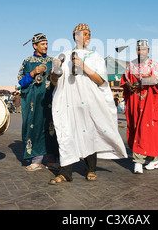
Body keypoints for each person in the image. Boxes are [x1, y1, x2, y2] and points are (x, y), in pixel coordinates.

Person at [49, 23, 127, 184]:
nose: (88, 37)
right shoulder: (64, 54)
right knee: (66, 134)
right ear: (76, 35)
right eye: (85, 33)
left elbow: (101, 81)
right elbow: (54, 82)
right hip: (68, 101)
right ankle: (65, 172)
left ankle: (91, 169)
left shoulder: (95, 56)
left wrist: (83, 66)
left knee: (89, 132)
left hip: (89, 101)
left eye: (89, 34)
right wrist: (55, 73)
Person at [121, 39, 158, 174]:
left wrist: (153, 80)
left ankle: (138, 161)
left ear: (148, 50)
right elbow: (124, 81)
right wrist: (128, 85)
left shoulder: (154, 65)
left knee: (148, 130)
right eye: (138, 49)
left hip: (150, 103)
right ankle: (155, 160)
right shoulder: (131, 65)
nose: (140, 52)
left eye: (143, 49)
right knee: (137, 128)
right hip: (135, 102)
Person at [18, 33, 59, 172]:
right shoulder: (28, 62)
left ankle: (52, 159)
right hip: (34, 102)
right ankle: (36, 160)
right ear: (35, 46)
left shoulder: (53, 61)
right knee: (34, 127)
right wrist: (33, 72)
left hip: (51, 99)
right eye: (43, 44)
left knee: (52, 128)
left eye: (47, 44)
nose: (46, 46)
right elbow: (21, 82)